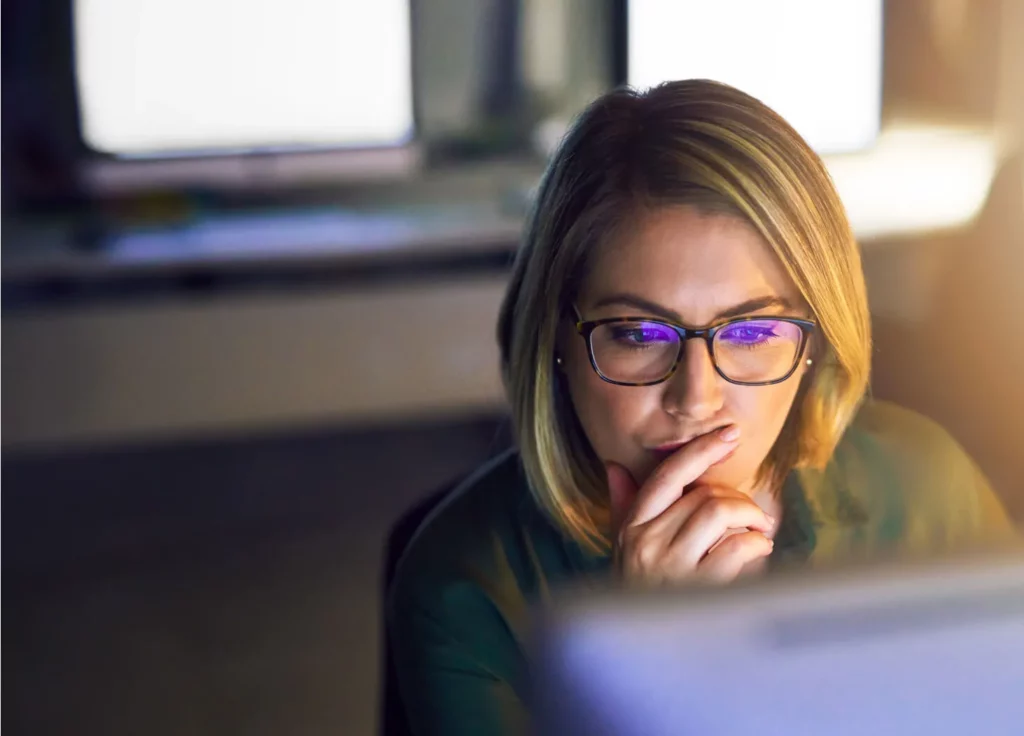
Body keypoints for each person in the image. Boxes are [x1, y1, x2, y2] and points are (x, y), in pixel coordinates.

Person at [385, 80, 1015, 734]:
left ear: (816, 341)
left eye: (750, 333)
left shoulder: (926, 489)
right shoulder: (465, 589)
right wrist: (658, 660)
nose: (697, 399)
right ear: (557, 342)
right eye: (636, 334)